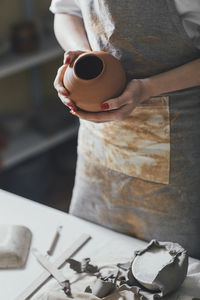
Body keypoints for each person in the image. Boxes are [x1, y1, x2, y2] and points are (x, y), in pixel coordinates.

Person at [50, 0, 200, 258]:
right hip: (100, 141)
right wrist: (83, 59)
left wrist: (148, 88)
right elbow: (66, 11)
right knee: (92, 253)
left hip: (177, 140)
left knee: (169, 266)